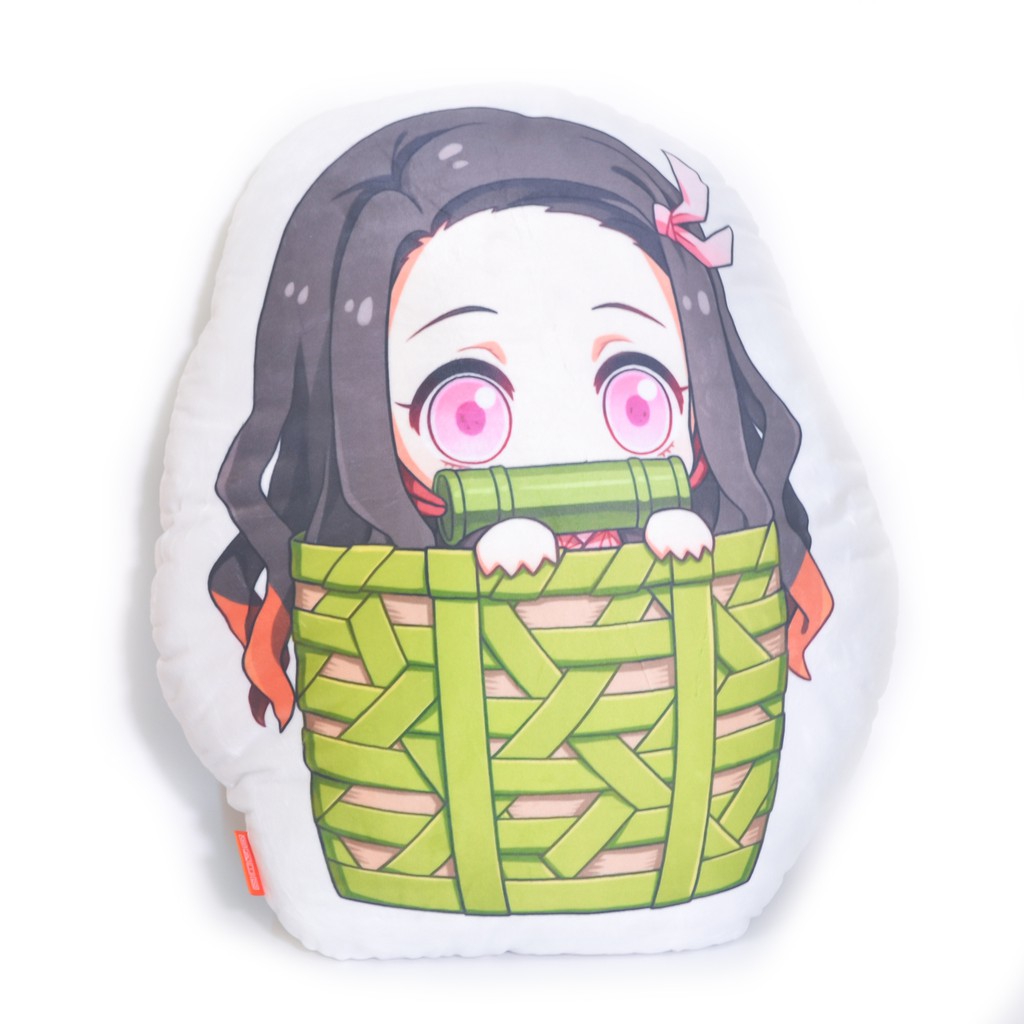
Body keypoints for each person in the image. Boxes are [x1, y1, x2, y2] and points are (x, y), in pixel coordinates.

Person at [209, 107, 832, 730]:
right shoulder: (378, 591)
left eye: (636, 399)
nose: (563, 450)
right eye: (467, 413)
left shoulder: (693, 516)